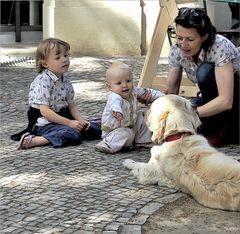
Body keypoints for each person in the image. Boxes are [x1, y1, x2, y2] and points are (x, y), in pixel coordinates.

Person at [164, 7, 240, 147]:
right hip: (211, 98)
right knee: (188, 105)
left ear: (204, 37)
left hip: (235, 100)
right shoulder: (177, 50)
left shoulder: (219, 46)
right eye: (179, 38)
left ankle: (221, 129)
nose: (183, 44)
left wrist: (189, 114)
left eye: (190, 39)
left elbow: (226, 101)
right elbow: (170, 92)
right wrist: (163, 115)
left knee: (204, 71)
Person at [17, 38, 101, 150]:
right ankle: (36, 140)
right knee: (73, 135)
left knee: (95, 129)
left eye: (66, 55)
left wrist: (80, 121)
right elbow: (45, 111)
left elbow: (71, 105)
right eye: (58, 57)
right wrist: (69, 123)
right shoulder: (43, 81)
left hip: (64, 118)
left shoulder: (65, 80)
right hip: (45, 123)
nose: (64, 60)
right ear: (45, 63)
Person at [95, 62, 165, 154]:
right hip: (115, 130)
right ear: (110, 87)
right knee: (127, 134)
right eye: (119, 83)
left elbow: (148, 93)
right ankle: (107, 144)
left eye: (128, 81)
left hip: (131, 125)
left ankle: (143, 140)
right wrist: (117, 111)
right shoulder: (115, 96)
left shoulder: (134, 91)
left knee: (144, 117)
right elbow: (115, 104)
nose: (124, 85)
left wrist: (164, 97)